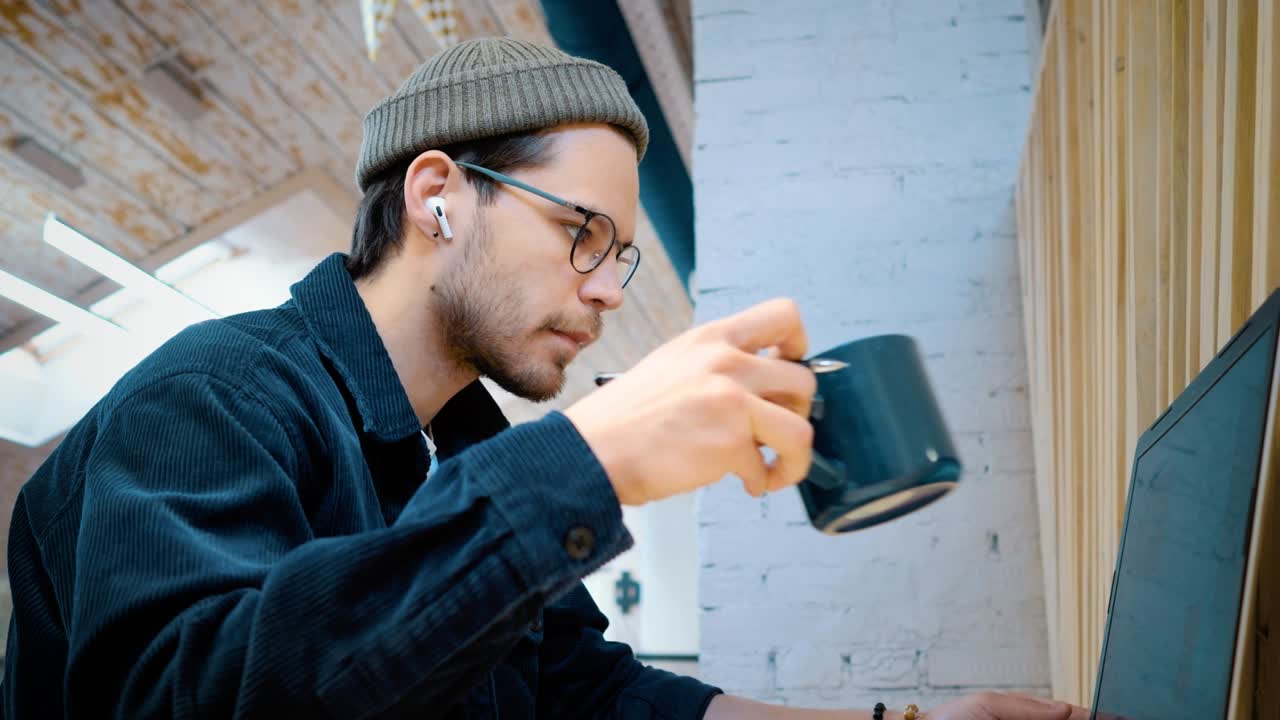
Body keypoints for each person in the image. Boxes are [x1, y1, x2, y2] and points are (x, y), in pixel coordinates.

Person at [0, 38, 1087, 720]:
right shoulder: (216, 396)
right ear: (437, 196)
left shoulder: (465, 447)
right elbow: (195, 698)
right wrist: (591, 460)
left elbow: (578, 690)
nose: (609, 290)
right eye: (583, 232)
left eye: (619, 255)